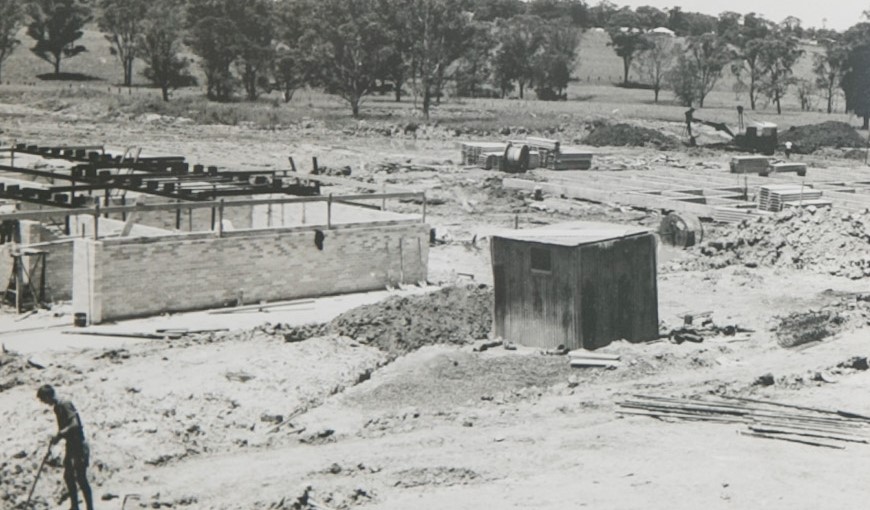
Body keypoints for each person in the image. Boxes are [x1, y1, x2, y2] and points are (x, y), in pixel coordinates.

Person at [37, 384, 94, 510]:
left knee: (81, 477)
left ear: (48, 396)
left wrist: (61, 433)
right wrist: (58, 437)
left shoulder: (64, 404)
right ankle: (75, 506)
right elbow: (64, 428)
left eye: (43, 399)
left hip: (79, 444)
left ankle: (90, 507)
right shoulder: (57, 408)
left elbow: (75, 424)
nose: (44, 403)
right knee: (68, 476)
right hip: (71, 445)